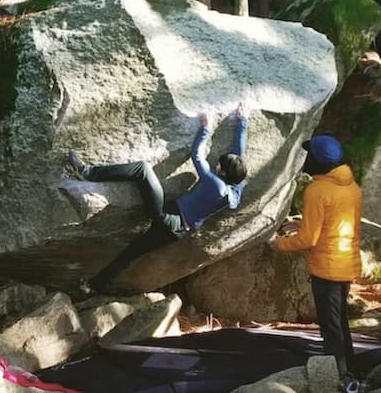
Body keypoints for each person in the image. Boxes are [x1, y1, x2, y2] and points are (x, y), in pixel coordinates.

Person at [68, 102, 249, 295]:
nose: (217, 165)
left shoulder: (216, 185)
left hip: (168, 216)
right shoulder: (234, 189)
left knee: (143, 170)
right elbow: (239, 156)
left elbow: (197, 156)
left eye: (219, 165)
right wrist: (242, 121)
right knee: (132, 252)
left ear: (221, 171)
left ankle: (88, 174)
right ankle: (93, 286)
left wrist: (205, 128)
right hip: (177, 231)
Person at [269, 135, 363, 393]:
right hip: (346, 264)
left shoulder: (317, 190)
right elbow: (336, 223)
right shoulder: (351, 187)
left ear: (318, 162)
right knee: (339, 320)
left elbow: (308, 240)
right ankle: (351, 369)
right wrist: (301, 223)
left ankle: (341, 378)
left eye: (310, 156)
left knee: (331, 327)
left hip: (327, 267)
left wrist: (279, 244)